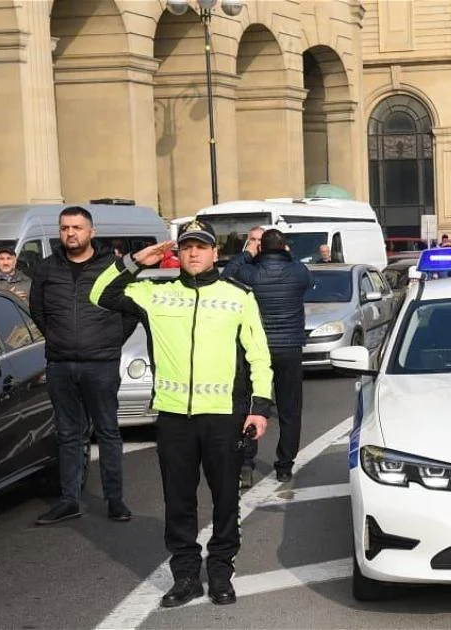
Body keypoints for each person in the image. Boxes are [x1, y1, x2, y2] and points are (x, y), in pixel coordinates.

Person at [89, 219, 273, 607]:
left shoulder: (238, 294)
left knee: (226, 499)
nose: (193, 253)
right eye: (186, 246)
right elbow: (100, 294)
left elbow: (259, 355)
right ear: (178, 253)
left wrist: (259, 408)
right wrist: (137, 260)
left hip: (224, 415)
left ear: (213, 253)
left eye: (201, 247)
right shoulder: (156, 294)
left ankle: (221, 571)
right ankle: (186, 575)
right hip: (173, 417)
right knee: (178, 501)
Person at [28, 207, 137, 525]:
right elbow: (38, 310)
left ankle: (115, 500)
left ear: (92, 231)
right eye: (64, 228)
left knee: (107, 431)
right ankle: (69, 499)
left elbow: (131, 310)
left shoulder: (113, 267)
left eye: (77, 227)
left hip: (100, 364)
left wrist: (109, 339)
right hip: (61, 364)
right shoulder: (47, 268)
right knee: (68, 434)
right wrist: (60, 339)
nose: (70, 233)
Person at [223, 228, 313, 486]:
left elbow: (227, 275)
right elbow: (306, 277)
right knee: (289, 410)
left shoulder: (251, 273)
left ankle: (246, 464)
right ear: (284, 247)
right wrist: (288, 254)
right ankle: (284, 466)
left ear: (261, 248)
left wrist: (248, 254)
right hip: (289, 349)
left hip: (256, 348)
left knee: (252, 406)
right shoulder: (297, 271)